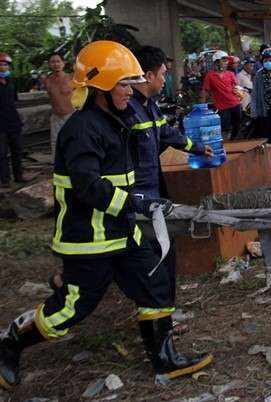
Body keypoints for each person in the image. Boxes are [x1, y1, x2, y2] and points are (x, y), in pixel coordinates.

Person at [0, 41, 212, 391]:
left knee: (155, 284)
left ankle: (165, 359)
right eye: (123, 84)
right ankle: (9, 341)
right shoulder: (82, 130)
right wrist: (136, 204)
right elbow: (89, 188)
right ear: (99, 88)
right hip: (89, 239)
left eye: (131, 82)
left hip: (122, 231)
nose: (130, 90)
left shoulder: (118, 121)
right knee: (71, 310)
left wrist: (140, 202)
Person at [129, 46, 213, 301]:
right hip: (135, 196)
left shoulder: (149, 106)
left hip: (154, 191)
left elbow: (167, 134)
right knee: (151, 256)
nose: (165, 79)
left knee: (163, 252)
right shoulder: (127, 109)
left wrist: (197, 148)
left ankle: (164, 310)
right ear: (148, 75)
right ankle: (159, 312)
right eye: (163, 74)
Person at [201, 50, 242, 140]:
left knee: (237, 126)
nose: (226, 63)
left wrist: (237, 90)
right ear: (217, 62)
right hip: (223, 107)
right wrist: (202, 106)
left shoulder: (230, 74)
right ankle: (226, 146)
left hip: (235, 104)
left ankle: (234, 143)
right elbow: (205, 90)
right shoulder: (210, 76)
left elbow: (236, 85)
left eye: (226, 61)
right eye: (223, 61)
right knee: (225, 128)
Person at [0, 52, 26, 188]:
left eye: (5, 65)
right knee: (2, 154)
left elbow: (14, 101)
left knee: (17, 150)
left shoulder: (11, 81)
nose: (3, 68)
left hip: (14, 122)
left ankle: (19, 175)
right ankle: (5, 178)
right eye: (0, 65)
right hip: (1, 124)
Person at [44, 52, 75, 158]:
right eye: (53, 62)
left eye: (58, 61)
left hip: (72, 115)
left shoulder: (72, 78)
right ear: (49, 64)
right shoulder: (47, 80)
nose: (56, 64)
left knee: (74, 142)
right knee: (56, 144)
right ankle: (58, 169)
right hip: (56, 117)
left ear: (63, 63)